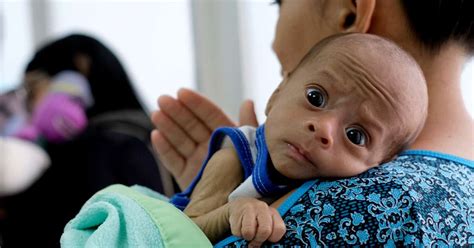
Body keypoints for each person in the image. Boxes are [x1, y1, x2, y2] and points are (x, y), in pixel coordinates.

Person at [152, 0, 474, 246]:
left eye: (280, 3)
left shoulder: (350, 207)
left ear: (349, 12)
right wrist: (229, 187)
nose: (322, 130)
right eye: (316, 99)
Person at [170, 33, 428, 245]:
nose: (324, 129)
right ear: (276, 94)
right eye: (315, 98)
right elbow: (179, 232)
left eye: (355, 135)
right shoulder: (234, 159)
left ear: (380, 165)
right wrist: (234, 210)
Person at [0, 34, 173, 247]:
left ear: (74, 82)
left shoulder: (89, 151)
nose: (28, 105)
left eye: (32, 89)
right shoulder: (156, 138)